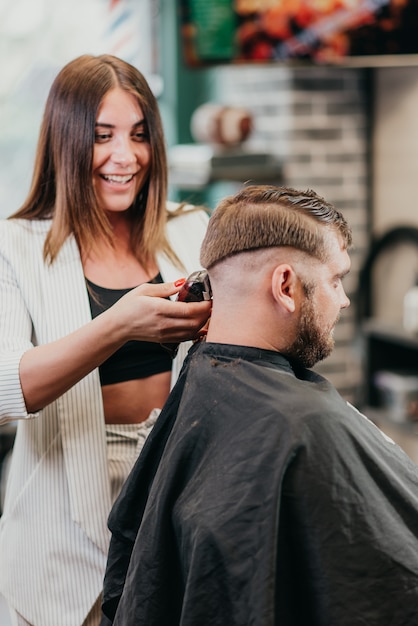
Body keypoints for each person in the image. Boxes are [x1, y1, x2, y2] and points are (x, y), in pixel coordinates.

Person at [101, 184, 418, 626]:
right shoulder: (306, 423)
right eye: (336, 279)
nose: (343, 299)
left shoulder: (205, 381)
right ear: (285, 285)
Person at [0, 54, 212, 626]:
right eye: (103, 137)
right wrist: (118, 324)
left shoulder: (191, 229)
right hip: (57, 540)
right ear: (66, 142)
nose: (127, 157)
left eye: (140, 136)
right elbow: (4, 392)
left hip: (174, 495)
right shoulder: (15, 246)